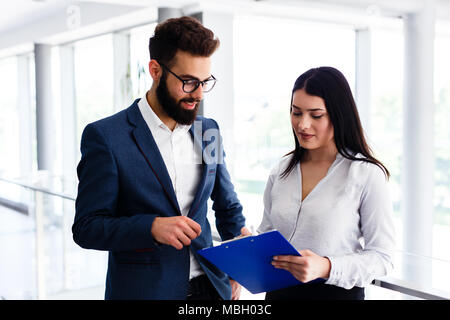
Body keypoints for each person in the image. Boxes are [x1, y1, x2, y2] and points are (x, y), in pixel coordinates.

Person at [72, 16, 249, 300]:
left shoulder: (208, 131)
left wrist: (239, 262)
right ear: (155, 70)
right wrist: (151, 227)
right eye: (189, 82)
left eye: (205, 82)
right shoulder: (106, 137)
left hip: (212, 287)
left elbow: (226, 205)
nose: (199, 94)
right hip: (146, 291)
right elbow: (87, 227)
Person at [258, 66, 395, 300]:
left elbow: (382, 258)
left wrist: (326, 267)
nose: (302, 125)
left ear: (338, 115)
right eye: (296, 112)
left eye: (316, 115)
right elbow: (268, 232)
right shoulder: (281, 170)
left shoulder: (366, 174)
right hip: (279, 296)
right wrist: (249, 245)